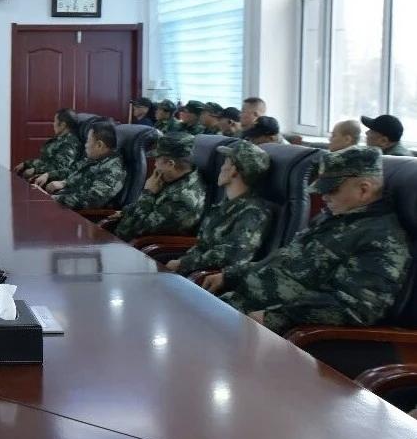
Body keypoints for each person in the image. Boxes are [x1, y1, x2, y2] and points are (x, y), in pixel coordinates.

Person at [202, 147, 410, 334]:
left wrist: (276, 317)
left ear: (363, 189)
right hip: (242, 303)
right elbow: (285, 259)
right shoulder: (334, 217)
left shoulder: (382, 240)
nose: (324, 197)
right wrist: (230, 275)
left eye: (332, 190)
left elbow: (355, 308)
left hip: (273, 327)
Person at [167, 141, 273, 275]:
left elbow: (232, 255)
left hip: (208, 279)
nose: (221, 168)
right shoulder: (225, 205)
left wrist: (183, 263)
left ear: (233, 171)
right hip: (192, 271)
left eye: (225, 163)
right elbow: (202, 245)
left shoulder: (254, 213)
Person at [106, 133, 205, 241]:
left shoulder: (182, 199)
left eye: (157, 160)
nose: (155, 164)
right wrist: (126, 212)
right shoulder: (172, 178)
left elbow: (134, 230)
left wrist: (147, 193)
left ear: (170, 164)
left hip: (142, 248)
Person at [46, 120, 127, 211]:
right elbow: (73, 170)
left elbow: (92, 200)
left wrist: (53, 199)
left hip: (79, 214)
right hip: (62, 198)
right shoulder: (96, 159)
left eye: (88, 141)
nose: (86, 145)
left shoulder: (112, 170)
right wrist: (50, 176)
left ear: (99, 145)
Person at [19, 109, 80, 184]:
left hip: (53, 180)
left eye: (55, 121)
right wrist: (27, 164)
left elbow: (60, 167)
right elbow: (45, 160)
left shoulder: (69, 143)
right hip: (44, 173)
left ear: (63, 125)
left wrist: (36, 170)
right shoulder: (59, 139)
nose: (53, 124)